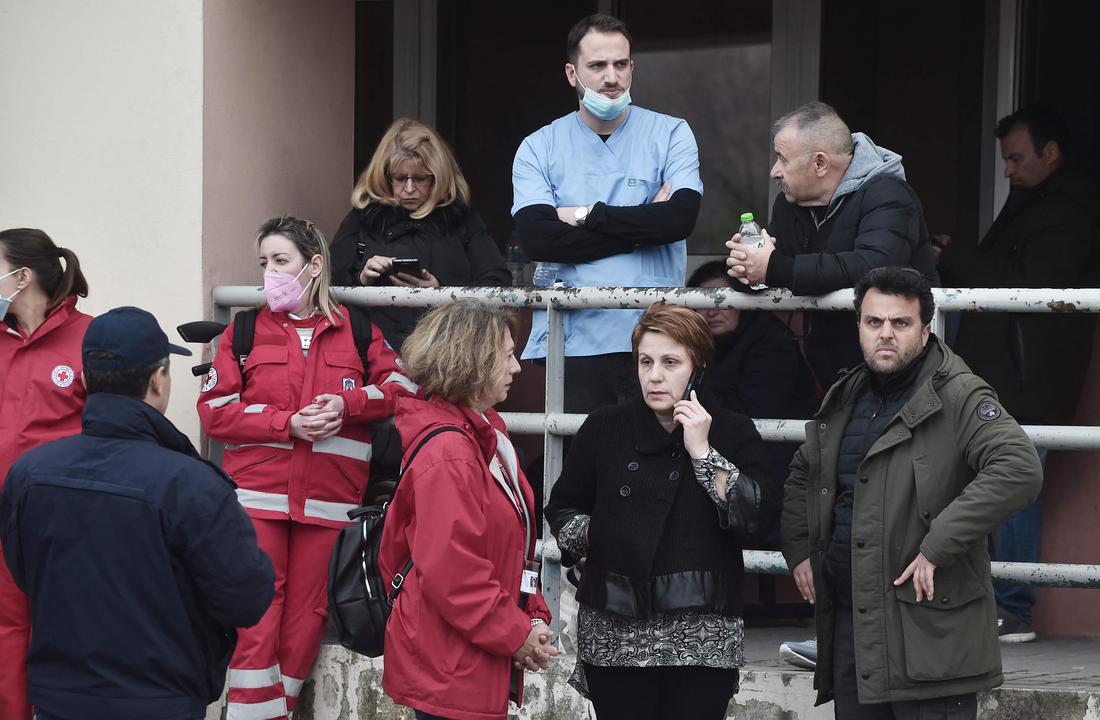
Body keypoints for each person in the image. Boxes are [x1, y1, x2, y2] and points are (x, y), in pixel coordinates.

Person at [780, 267, 1042, 719]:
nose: (886, 334)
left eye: (900, 323)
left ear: (925, 332)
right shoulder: (847, 395)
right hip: (853, 632)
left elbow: (1019, 469)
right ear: (858, 327)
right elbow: (806, 469)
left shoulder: (959, 394)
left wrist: (939, 544)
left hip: (930, 637)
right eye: (873, 322)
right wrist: (800, 546)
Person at [0, 306, 275, 720]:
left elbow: (24, 573)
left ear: (86, 380)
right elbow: (246, 599)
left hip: (59, 701)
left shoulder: (30, 474)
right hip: (161, 701)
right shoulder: (191, 484)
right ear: (158, 380)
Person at [198, 216, 414, 720]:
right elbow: (214, 410)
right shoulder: (243, 331)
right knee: (257, 616)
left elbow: (403, 389)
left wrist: (350, 406)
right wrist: (285, 423)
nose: (270, 272)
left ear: (313, 266)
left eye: (281, 261)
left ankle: (274, 711)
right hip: (257, 500)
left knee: (307, 617)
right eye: (264, 262)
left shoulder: (359, 332)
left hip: (329, 502)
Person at [546, 303, 779, 720]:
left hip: (701, 633)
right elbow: (562, 507)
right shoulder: (605, 427)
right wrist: (597, 536)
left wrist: (704, 452)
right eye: (645, 361)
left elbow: (756, 519)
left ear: (699, 367)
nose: (654, 376)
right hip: (615, 625)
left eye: (670, 362)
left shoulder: (732, 430)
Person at [935, 105, 1100, 643]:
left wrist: (955, 258)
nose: (1007, 169)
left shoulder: (1068, 211)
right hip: (1003, 376)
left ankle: (1012, 607)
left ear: (1049, 153)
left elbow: (1027, 284)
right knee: (988, 485)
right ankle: (990, 602)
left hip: (1029, 380)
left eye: (1016, 157)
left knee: (1014, 488)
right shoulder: (1035, 202)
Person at [512, 12, 702, 414]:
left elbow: (679, 220)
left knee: (655, 465)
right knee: (583, 462)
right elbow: (540, 239)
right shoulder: (538, 147)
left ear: (632, 67)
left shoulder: (671, 134)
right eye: (597, 66)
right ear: (572, 73)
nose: (611, 78)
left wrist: (584, 214)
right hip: (574, 338)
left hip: (656, 339)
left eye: (620, 64)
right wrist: (644, 224)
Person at [380, 300, 556, 720]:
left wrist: (531, 616)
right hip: (451, 662)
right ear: (472, 362)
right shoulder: (452, 450)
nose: (517, 368)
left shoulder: (483, 431)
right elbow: (453, 571)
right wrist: (516, 634)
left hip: (468, 652)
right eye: (508, 355)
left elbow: (512, 546)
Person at [724, 101, 937, 390]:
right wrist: (744, 269)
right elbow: (772, 270)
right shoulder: (790, 204)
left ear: (820, 164)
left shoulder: (888, 193)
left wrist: (772, 267)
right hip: (833, 373)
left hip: (902, 370)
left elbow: (875, 265)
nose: (774, 171)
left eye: (782, 159)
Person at [0, 228, 91, 720]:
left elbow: (114, 430)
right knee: (7, 631)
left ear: (21, 276)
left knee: (65, 628)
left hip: (67, 520)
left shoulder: (90, 338)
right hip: (3, 520)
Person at [331, 117, 511, 351]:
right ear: (385, 176)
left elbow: (497, 286)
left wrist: (441, 292)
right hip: (372, 353)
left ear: (438, 178)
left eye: (420, 178)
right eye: (399, 178)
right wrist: (361, 280)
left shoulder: (462, 221)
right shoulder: (363, 218)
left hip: (446, 352)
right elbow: (327, 284)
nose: (408, 188)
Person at [688, 259, 816, 493]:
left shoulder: (772, 345)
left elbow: (756, 414)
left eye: (724, 300)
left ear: (742, 303)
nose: (712, 310)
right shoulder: (699, 347)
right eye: (703, 301)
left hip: (774, 474)